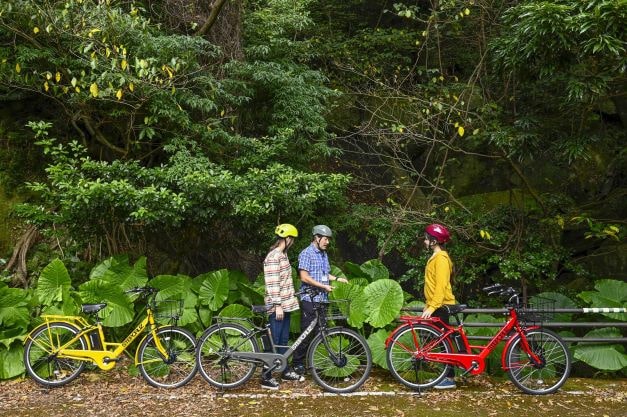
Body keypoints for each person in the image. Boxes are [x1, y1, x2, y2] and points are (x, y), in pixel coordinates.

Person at [291, 225, 348, 376]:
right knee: (307, 333)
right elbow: (304, 277)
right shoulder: (306, 253)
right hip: (310, 299)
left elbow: (324, 274)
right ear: (316, 238)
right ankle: (297, 364)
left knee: (321, 333)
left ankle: (316, 364)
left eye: (329, 239)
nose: (327, 242)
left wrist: (337, 279)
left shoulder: (324, 255)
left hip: (322, 299)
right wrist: (323, 286)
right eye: (325, 239)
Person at [261, 223, 303, 390]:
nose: (292, 242)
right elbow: (272, 283)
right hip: (277, 306)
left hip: (286, 304)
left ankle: (284, 370)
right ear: (287, 239)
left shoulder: (282, 255)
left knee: (283, 340)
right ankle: (266, 376)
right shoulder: (273, 257)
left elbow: (285, 281)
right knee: (275, 340)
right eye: (292, 239)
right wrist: (277, 305)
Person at [420, 223, 458, 390]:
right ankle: (445, 376)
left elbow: (441, 286)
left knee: (444, 342)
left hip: (442, 306)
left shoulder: (441, 259)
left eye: (427, 238)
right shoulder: (436, 257)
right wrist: (428, 305)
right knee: (442, 341)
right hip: (437, 305)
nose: (425, 241)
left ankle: (449, 378)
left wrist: (432, 307)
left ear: (434, 241)